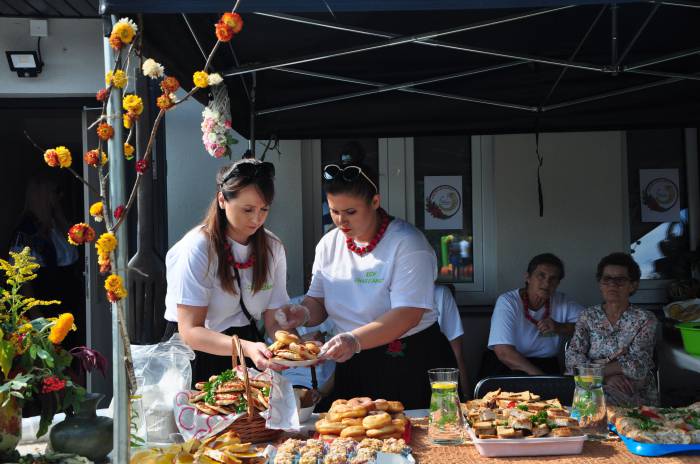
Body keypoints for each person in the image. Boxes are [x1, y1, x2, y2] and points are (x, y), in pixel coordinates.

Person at [272, 146, 456, 409]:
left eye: (351, 212)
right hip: (353, 360)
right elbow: (319, 301)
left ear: (375, 202)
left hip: (408, 357)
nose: (341, 221)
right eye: (334, 211)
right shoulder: (328, 244)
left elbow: (408, 314)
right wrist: (301, 314)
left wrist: (354, 339)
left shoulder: (408, 243)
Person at [163, 159, 288, 382]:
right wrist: (247, 348)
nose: (256, 218)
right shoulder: (198, 248)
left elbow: (274, 321)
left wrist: (296, 346)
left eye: (264, 209)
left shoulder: (272, 247)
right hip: (198, 356)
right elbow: (190, 331)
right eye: (248, 209)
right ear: (222, 200)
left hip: (248, 350)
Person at [566, 253, 659, 406]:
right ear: (600, 283)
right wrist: (606, 376)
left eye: (620, 280)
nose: (612, 285)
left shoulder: (645, 319)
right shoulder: (588, 316)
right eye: (606, 279)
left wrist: (596, 370)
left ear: (633, 285)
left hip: (631, 387)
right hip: (592, 385)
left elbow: (638, 365)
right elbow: (573, 359)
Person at [483, 253, 583, 376]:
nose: (547, 283)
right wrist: (542, 379)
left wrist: (560, 327)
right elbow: (504, 353)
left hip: (547, 364)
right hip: (509, 366)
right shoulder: (508, 302)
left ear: (558, 283)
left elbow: (591, 325)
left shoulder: (563, 302)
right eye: (541, 276)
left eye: (553, 279)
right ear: (528, 278)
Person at [434, 284, 470, 398]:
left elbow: (457, 355)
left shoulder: (440, 294)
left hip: (435, 381)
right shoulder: (379, 294)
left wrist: (465, 397)